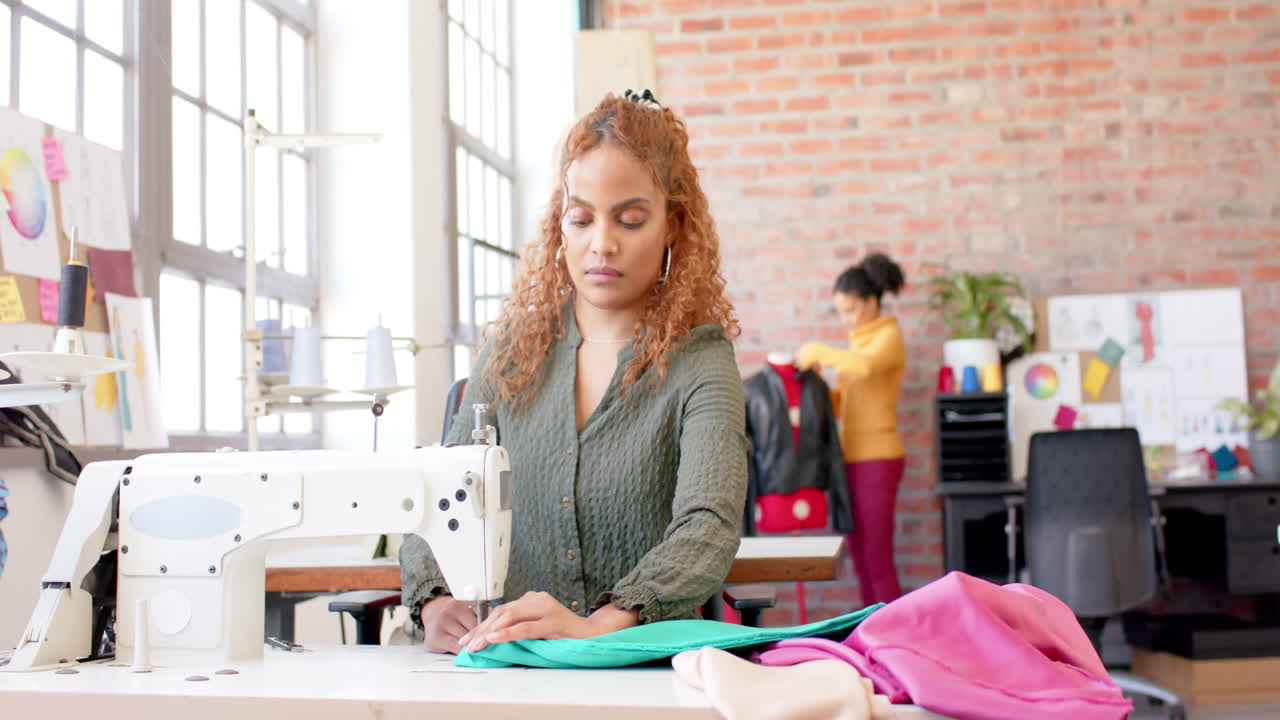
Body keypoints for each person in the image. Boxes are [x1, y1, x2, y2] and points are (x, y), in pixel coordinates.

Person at [400, 89, 748, 655]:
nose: (601, 244)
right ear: (560, 227)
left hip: (643, 668)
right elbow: (440, 495)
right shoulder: (510, 353)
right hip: (509, 667)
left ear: (673, 227)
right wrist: (433, 601)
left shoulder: (700, 360)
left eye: (630, 220)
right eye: (581, 219)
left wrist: (603, 622)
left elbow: (707, 525)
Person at [795, 253, 907, 605]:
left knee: (877, 560)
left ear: (872, 302)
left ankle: (892, 639)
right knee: (859, 558)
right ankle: (870, 633)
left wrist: (818, 350)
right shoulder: (857, 345)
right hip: (852, 460)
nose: (846, 320)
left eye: (851, 310)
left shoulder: (888, 336)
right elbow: (845, 402)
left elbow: (867, 368)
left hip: (878, 460)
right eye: (841, 312)